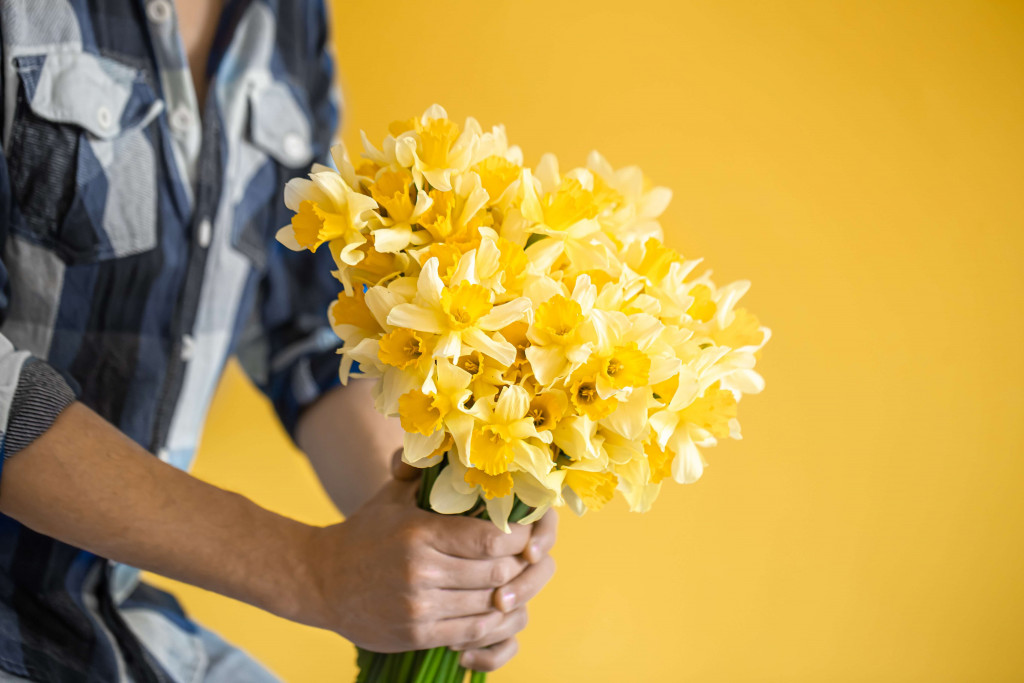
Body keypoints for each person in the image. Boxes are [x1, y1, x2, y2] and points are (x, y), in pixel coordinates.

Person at [0, 1, 557, 681]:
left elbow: (304, 328)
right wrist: (316, 572)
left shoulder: (291, 21)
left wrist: (439, 559)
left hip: (107, 613)